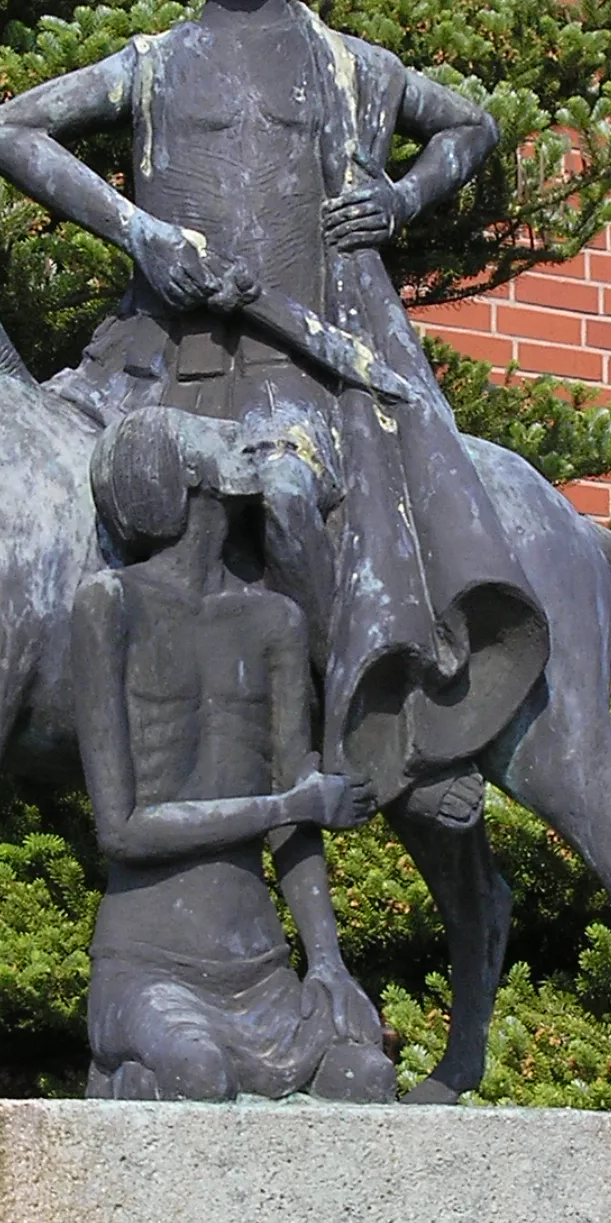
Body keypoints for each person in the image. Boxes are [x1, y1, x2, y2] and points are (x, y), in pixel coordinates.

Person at [0, 0, 549, 824]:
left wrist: (404, 197)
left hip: (296, 373)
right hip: (153, 368)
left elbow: (471, 125)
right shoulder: (151, 63)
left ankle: (368, 739)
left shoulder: (349, 65)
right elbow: (7, 129)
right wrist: (139, 232)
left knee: (285, 497)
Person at [73, 409, 395, 1103]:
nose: (241, 440)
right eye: (218, 435)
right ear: (187, 476)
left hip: (260, 973)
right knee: (197, 1073)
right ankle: (123, 1087)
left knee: (365, 1077)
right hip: (148, 970)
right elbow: (122, 828)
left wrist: (329, 964)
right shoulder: (112, 606)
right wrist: (290, 803)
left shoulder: (274, 620)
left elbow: (295, 819)